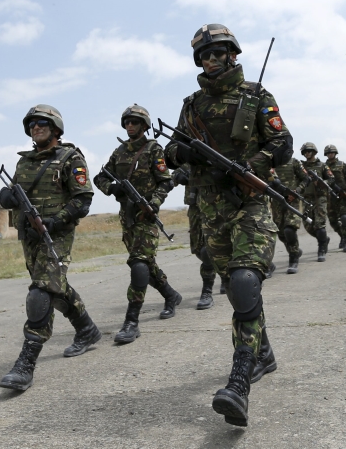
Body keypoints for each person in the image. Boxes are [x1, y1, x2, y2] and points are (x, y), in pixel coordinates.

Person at [164, 23, 289, 427]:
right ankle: (263, 353)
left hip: (249, 203)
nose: (211, 60)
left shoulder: (256, 96)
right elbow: (172, 151)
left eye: (219, 52)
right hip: (210, 210)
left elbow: (281, 143)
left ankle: (239, 382)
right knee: (237, 293)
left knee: (245, 283)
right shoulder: (192, 105)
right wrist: (182, 152)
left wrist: (244, 170)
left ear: (233, 54)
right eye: (205, 55)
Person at [0, 104, 102, 391]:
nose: (36, 127)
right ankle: (87, 330)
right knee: (55, 286)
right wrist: (6, 196)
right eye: (31, 124)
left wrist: (56, 222)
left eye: (42, 122)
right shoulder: (24, 162)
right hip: (29, 236)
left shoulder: (71, 158)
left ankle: (25, 364)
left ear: (55, 127)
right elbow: (15, 194)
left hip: (55, 235)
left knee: (40, 291)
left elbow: (82, 201)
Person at [94, 104, 182, 344]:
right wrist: (112, 188)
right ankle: (171, 295)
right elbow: (99, 177)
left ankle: (131, 321)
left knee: (139, 264)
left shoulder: (154, 149)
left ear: (144, 125)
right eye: (127, 122)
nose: (130, 126)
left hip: (146, 216)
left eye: (135, 122)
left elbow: (166, 181)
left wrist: (153, 203)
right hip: (128, 218)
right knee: (145, 264)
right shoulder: (119, 152)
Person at [174, 164, 224, 309]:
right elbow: (173, 175)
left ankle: (207, 291)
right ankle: (222, 269)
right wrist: (178, 176)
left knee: (208, 249)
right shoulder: (189, 159)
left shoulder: (212, 154)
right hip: (195, 207)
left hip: (213, 204)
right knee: (197, 249)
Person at [269, 156, 308, 273]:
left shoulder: (294, 162)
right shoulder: (269, 163)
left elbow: (306, 179)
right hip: (276, 202)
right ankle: (295, 250)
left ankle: (293, 257)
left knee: (289, 230)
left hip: (292, 200)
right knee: (280, 233)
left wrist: (297, 191)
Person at [297, 142, 334, 262]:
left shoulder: (322, 166)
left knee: (319, 224)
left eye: (309, 151)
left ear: (314, 152)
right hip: (307, 198)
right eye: (305, 152)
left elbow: (331, 179)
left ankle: (321, 249)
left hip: (320, 198)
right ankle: (324, 239)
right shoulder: (301, 167)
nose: (307, 153)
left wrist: (322, 183)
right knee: (307, 225)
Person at [324, 144, 346, 252]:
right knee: (333, 221)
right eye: (328, 153)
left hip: (342, 197)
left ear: (335, 153)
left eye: (332, 152)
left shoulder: (342, 165)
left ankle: (345, 241)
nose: (330, 154)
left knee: (344, 218)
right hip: (330, 198)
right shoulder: (323, 167)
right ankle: (342, 235)